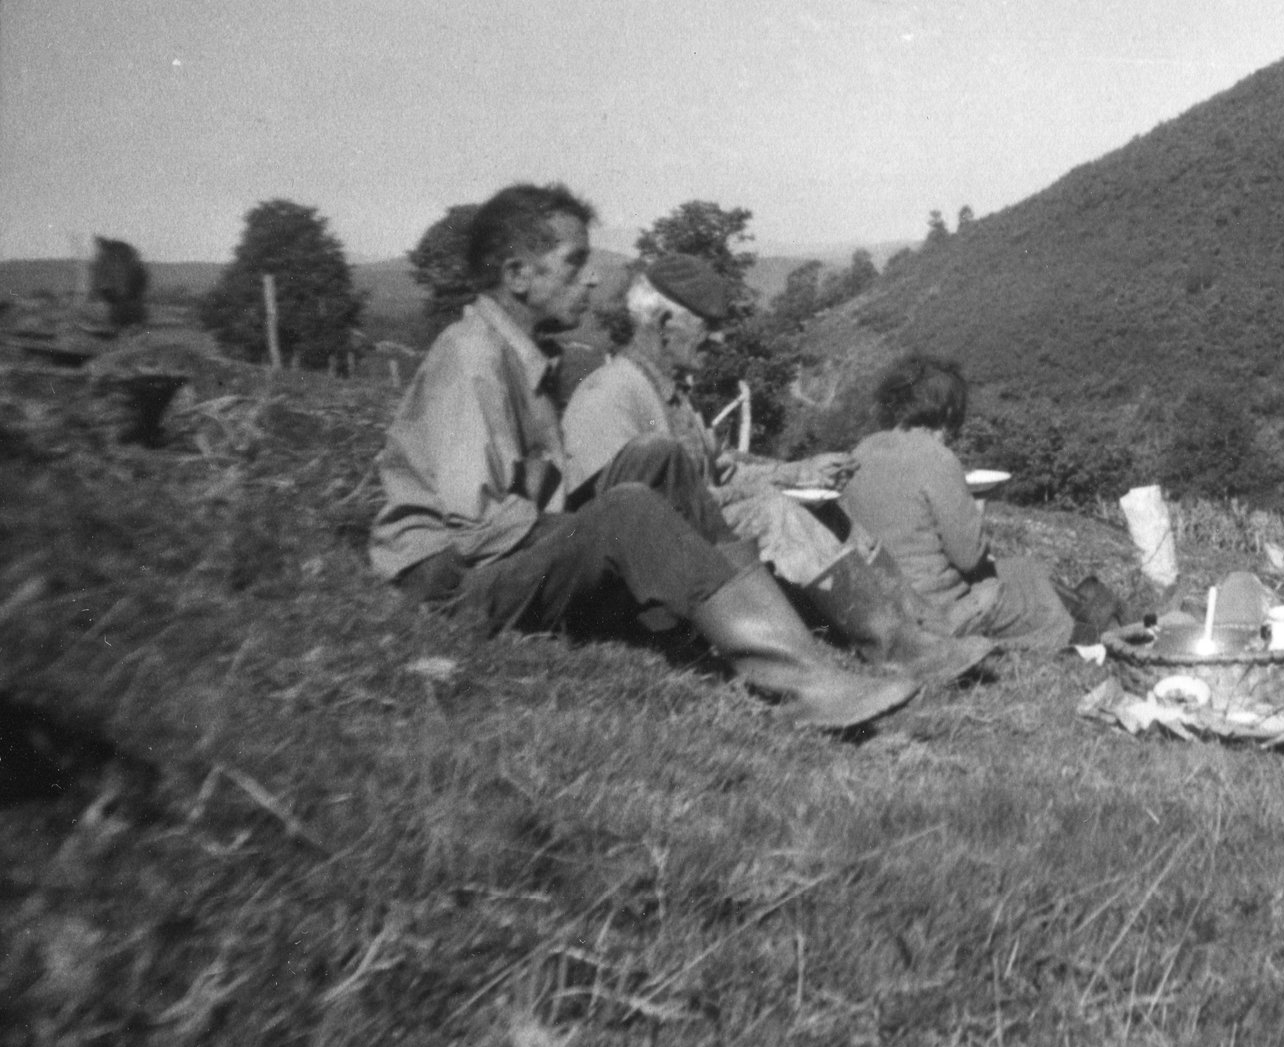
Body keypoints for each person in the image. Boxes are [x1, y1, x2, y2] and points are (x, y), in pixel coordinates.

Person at [367, 184, 914, 730]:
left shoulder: (524, 355)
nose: (591, 278)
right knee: (628, 510)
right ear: (517, 275)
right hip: (450, 588)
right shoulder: (472, 357)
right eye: (575, 262)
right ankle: (801, 683)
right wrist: (599, 528)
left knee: (659, 458)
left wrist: (594, 529)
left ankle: (779, 642)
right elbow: (477, 529)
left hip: (493, 559)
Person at [562, 258, 993, 688]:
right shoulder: (610, 395)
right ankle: (896, 647)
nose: (720, 339)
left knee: (827, 511)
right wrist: (760, 496)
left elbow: (723, 472)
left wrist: (798, 474)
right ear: (663, 324)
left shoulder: (670, 396)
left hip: (695, 551)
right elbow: (623, 520)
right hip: (644, 585)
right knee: (772, 513)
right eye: (709, 326)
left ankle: (920, 625)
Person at [841, 355, 1073, 650]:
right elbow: (969, 557)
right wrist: (977, 503)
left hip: (879, 603)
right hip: (934, 611)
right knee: (1033, 584)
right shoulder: (938, 458)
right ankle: (1071, 638)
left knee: (1021, 570)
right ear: (948, 411)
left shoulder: (861, 451)